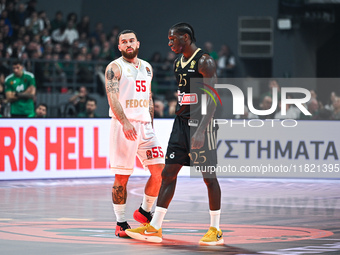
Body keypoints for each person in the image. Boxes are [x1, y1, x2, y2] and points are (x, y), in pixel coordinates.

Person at [126, 22, 223, 245]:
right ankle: (155, 227)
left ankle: (216, 229)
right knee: (169, 173)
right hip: (180, 123)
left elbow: (213, 99)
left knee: (208, 178)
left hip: (201, 124)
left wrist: (200, 130)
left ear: (186, 38)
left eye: (173, 39)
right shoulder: (178, 61)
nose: (169, 43)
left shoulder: (204, 61)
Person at [105, 29, 165, 238]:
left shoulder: (147, 67)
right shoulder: (115, 67)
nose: (128, 44)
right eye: (124, 42)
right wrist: (125, 122)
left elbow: (149, 98)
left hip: (145, 127)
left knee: (160, 171)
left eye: (131, 40)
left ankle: (144, 211)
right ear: (119, 46)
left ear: (138, 43)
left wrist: (151, 123)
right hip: (124, 126)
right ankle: (121, 222)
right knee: (122, 176)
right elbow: (111, 97)